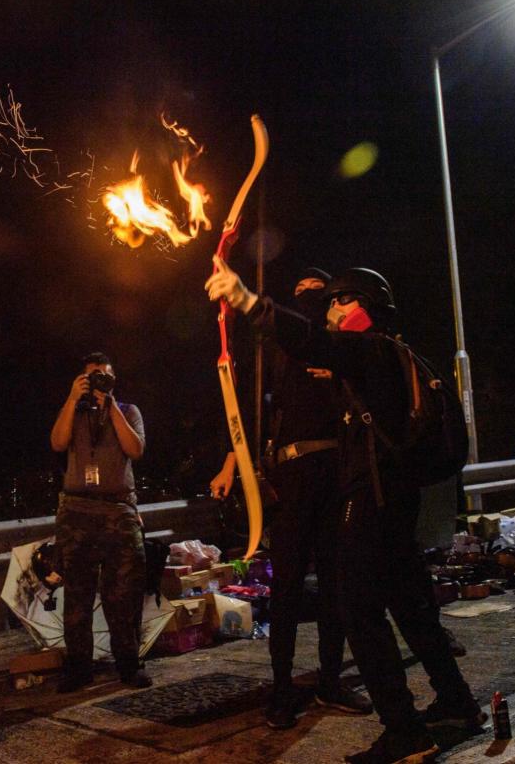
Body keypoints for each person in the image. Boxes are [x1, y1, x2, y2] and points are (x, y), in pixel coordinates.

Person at [207, 262, 481, 764]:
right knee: (410, 605)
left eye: (339, 300)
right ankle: (457, 702)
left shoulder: (370, 348)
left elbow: (313, 340)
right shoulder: (389, 354)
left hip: (371, 495)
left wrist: (249, 301)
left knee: (358, 608)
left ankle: (404, 730)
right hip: (396, 497)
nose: (330, 309)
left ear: (365, 306)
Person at [209, 268, 372, 728]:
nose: (306, 296)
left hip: (335, 473)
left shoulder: (336, 346)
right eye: (297, 290)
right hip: (291, 477)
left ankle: (330, 679)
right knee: (286, 588)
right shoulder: (277, 349)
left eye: (316, 292)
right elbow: (248, 414)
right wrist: (231, 465)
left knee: (335, 585)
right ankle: (281, 688)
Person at [49, 352, 151, 692]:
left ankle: (129, 666)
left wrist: (111, 406)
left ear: (113, 382)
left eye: (104, 377)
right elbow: (57, 442)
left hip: (118, 512)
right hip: (77, 512)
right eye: (92, 377)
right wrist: (71, 397)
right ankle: (78, 670)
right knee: (77, 597)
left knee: (123, 597)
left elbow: (135, 450)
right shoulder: (74, 411)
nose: (97, 383)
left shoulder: (129, 411)